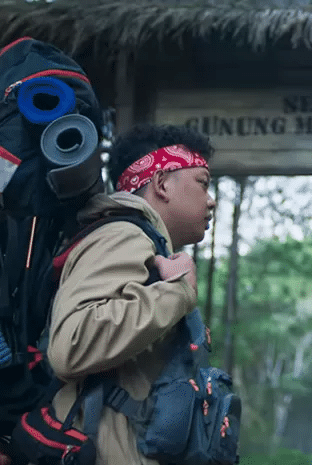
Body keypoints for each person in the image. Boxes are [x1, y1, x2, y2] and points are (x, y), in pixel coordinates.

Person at [46, 125, 216, 465]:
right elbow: (72, 344)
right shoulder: (123, 235)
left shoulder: (142, 241)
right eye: (203, 183)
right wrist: (179, 292)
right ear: (163, 183)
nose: (211, 200)